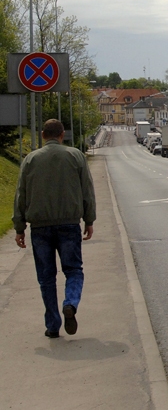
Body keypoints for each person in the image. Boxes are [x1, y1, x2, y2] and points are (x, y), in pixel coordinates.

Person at [13, 119, 96, 338]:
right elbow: (86, 190)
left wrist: (19, 227)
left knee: (46, 277)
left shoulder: (30, 159)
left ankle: (52, 325)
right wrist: (89, 220)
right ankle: (70, 302)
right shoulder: (75, 156)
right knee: (74, 270)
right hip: (69, 224)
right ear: (62, 134)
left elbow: (21, 194)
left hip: (40, 227)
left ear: (42, 135)